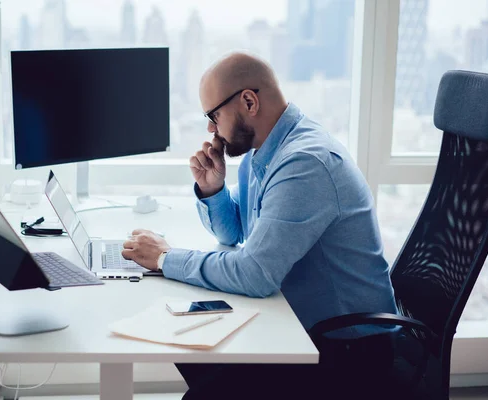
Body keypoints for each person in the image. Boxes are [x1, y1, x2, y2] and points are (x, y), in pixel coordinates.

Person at [122, 52, 399, 399]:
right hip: (297, 325)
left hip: (349, 351)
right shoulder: (264, 151)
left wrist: (165, 258)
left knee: (203, 378)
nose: (211, 128)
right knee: (189, 344)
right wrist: (214, 189)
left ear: (249, 101)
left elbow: (254, 273)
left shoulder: (304, 163)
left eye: (213, 115)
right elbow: (234, 231)